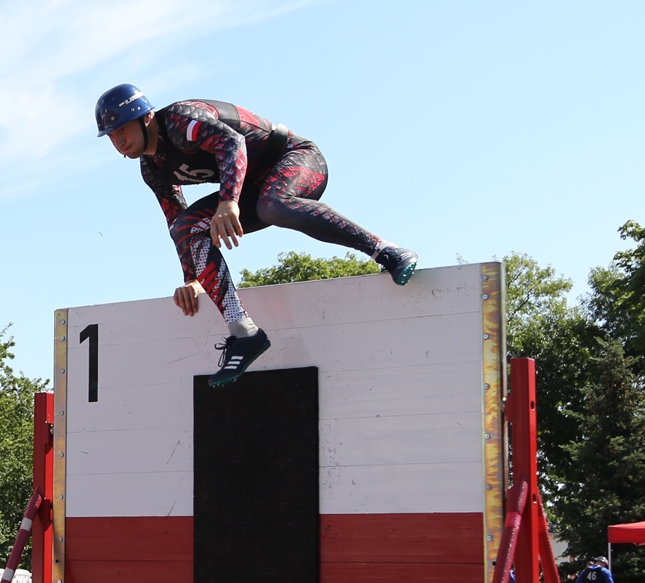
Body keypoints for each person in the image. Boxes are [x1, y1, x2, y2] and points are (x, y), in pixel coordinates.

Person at [95, 84, 418, 386]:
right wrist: (193, 278)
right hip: (252, 185)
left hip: (296, 158)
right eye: (112, 135)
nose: (119, 140)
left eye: (123, 129)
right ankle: (244, 332)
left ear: (147, 117)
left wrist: (229, 202)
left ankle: (387, 250)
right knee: (187, 227)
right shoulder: (152, 168)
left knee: (273, 205)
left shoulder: (182, 120)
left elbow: (232, 143)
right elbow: (176, 221)